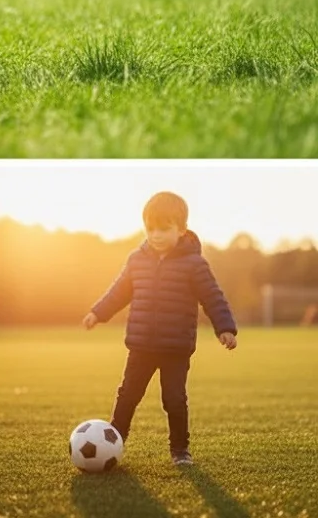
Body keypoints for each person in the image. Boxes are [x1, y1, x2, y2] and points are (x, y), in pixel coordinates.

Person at [82, 191, 237, 465]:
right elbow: (118, 292)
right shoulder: (136, 260)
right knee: (127, 395)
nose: (156, 235)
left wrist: (225, 327)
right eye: (150, 228)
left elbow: (213, 297)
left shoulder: (194, 264)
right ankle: (113, 442)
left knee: (174, 400)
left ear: (182, 229)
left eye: (164, 229)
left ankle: (180, 450)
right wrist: (98, 312)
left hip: (175, 348)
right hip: (140, 346)